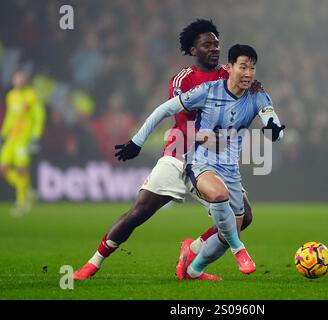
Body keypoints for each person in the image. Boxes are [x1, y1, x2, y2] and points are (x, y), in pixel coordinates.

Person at [73, 19, 260, 280]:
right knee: (139, 212)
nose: (214, 49)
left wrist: (252, 90)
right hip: (180, 155)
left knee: (244, 217)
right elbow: (184, 114)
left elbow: (246, 94)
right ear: (193, 50)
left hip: (212, 162)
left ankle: (192, 251)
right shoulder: (183, 79)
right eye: (207, 45)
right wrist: (137, 141)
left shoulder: (228, 76)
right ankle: (94, 262)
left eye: (217, 44)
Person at [112, 44, 285, 280]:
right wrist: (137, 141)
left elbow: (271, 118)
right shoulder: (208, 90)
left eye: (252, 68)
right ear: (229, 67)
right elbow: (165, 109)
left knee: (237, 223)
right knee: (219, 196)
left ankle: (194, 269)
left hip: (230, 169)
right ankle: (239, 250)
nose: (248, 73)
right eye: (243, 67)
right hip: (200, 162)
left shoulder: (257, 95)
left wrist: (275, 130)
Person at [0, 71, 46, 216]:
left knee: (21, 169)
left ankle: (21, 201)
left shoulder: (32, 96)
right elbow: (10, 116)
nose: (18, 82)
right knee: (3, 168)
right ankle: (27, 191)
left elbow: (39, 116)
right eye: (16, 80)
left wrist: (35, 136)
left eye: (21, 79)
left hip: (24, 139)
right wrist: (3, 133)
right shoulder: (11, 96)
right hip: (11, 139)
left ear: (25, 81)